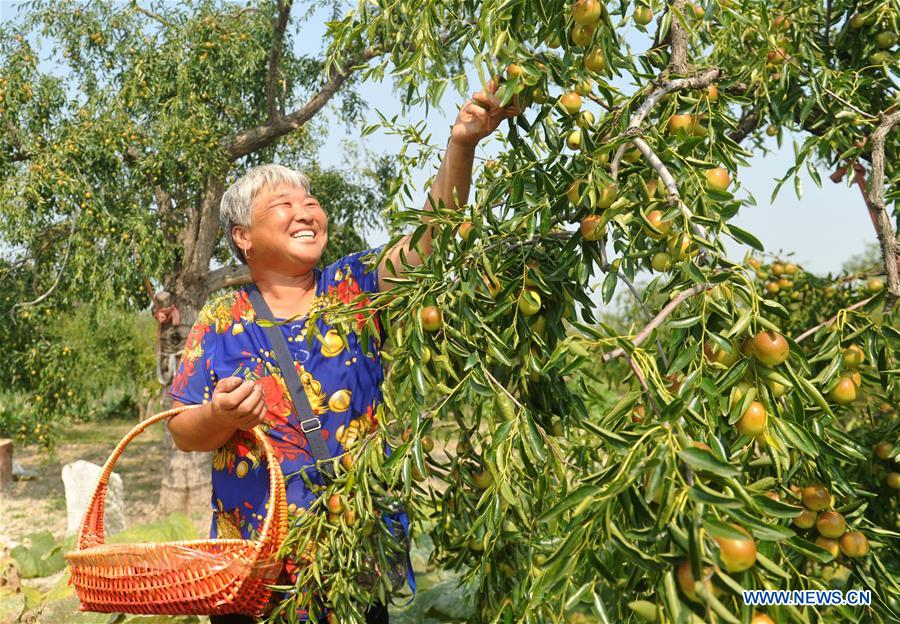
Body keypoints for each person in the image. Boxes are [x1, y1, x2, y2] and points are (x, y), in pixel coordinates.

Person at [166, 79, 523, 623]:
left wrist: (462, 145)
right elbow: (182, 430)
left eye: (310, 201)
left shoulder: (352, 287)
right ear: (243, 237)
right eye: (283, 204)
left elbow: (430, 240)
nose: (306, 211)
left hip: (353, 558)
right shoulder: (222, 320)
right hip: (256, 573)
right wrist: (219, 415)